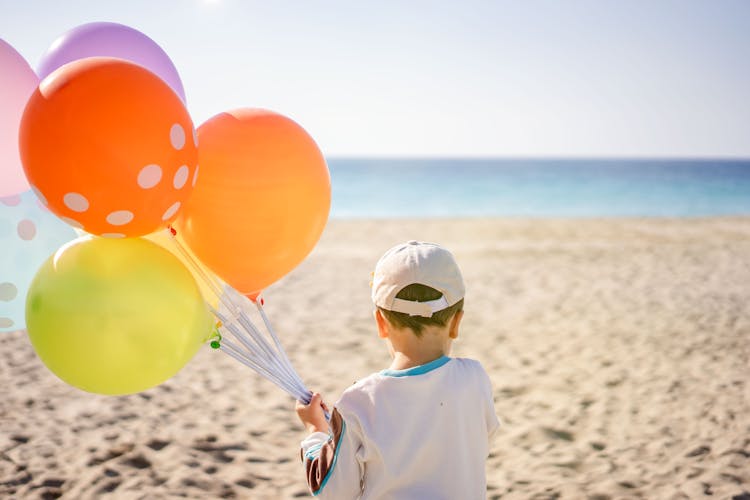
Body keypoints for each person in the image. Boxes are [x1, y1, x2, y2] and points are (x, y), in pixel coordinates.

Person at [295, 240, 500, 499]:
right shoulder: (475, 378)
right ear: (456, 322)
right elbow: (484, 439)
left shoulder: (358, 402)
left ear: (380, 323)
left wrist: (316, 431)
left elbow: (332, 492)